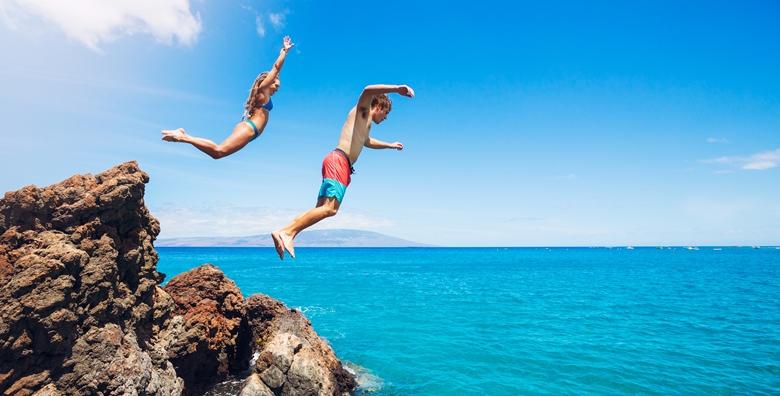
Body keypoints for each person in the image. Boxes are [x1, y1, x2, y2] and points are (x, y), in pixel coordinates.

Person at [271, 84, 414, 259]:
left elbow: (367, 141)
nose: (386, 118)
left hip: (339, 163)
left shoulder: (364, 124)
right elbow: (368, 90)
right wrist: (397, 89)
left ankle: (289, 234)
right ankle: (285, 231)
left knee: (321, 209)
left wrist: (390, 145)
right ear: (379, 106)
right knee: (330, 209)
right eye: (386, 113)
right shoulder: (362, 111)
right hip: (339, 161)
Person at [160, 36, 294, 158]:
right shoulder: (263, 89)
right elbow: (276, 68)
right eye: (276, 85)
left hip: (250, 129)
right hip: (249, 128)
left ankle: (183, 136)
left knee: (219, 152)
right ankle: (183, 136)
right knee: (218, 151)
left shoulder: (264, 95)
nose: (277, 88)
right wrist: (284, 51)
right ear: (269, 82)